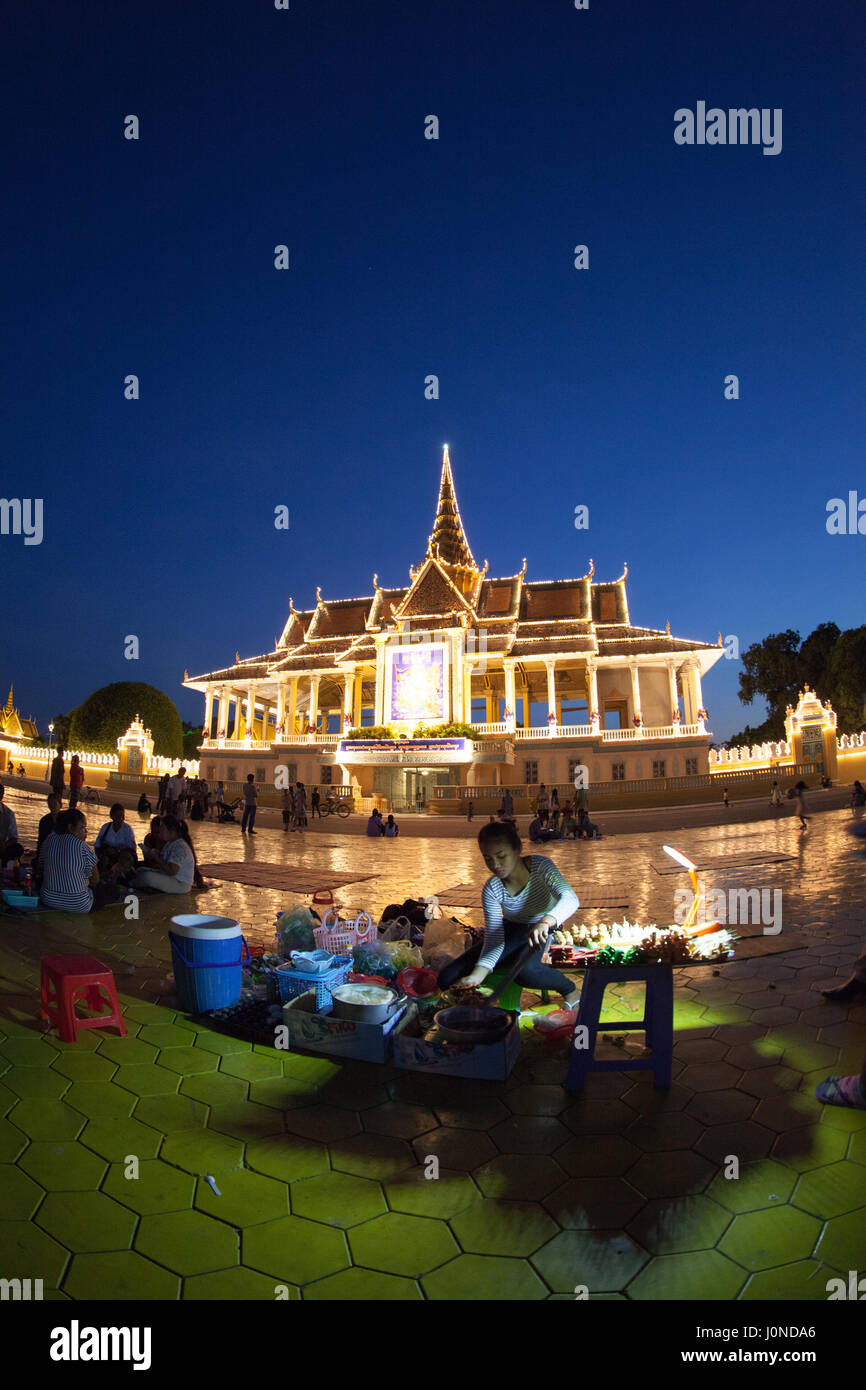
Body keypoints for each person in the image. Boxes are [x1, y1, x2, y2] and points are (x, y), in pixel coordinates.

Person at [437, 821, 581, 1007]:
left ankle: (569, 989)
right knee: (446, 978)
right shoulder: (492, 889)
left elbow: (570, 898)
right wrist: (477, 975)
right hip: (513, 930)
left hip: (545, 929)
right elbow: (495, 939)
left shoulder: (541, 867)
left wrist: (546, 921)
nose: (495, 864)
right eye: (488, 858)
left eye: (501, 856)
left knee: (527, 972)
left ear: (517, 849)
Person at [39, 808, 120, 911]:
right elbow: (95, 880)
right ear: (70, 828)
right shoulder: (83, 847)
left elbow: (41, 866)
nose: (86, 832)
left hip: (48, 899)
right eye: (82, 827)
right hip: (79, 904)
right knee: (113, 891)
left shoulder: (49, 840)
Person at [131, 815, 194, 895]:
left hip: (180, 883)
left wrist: (156, 857)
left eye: (162, 828)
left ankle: (130, 885)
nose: (160, 831)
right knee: (141, 870)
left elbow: (172, 871)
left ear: (172, 830)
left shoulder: (180, 847)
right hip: (172, 878)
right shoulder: (169, 844)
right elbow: (164, 862)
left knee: (147, 876)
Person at [94, 804, 138, 872]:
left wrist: (118, 852)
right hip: (107, 857)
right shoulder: (105, 827)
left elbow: (132, 849)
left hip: (121, 859)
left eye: (122, 817)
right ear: (111, 816)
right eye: (117, 816)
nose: (120, 819)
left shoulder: (127, 829)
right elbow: (97, 846)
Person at [0, 784, 24, 865]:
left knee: (18, 848)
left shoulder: (8, 813)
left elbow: (14, 837)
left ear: (2, 795)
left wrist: (5, 845)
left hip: (2, 846)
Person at [36, 793, 62, 862]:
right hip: (47, 850)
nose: (52, 806)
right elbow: (41, 840)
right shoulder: (44, 820)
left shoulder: (65, 820)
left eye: (54, 803)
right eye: (50, 804)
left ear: (60, 805)